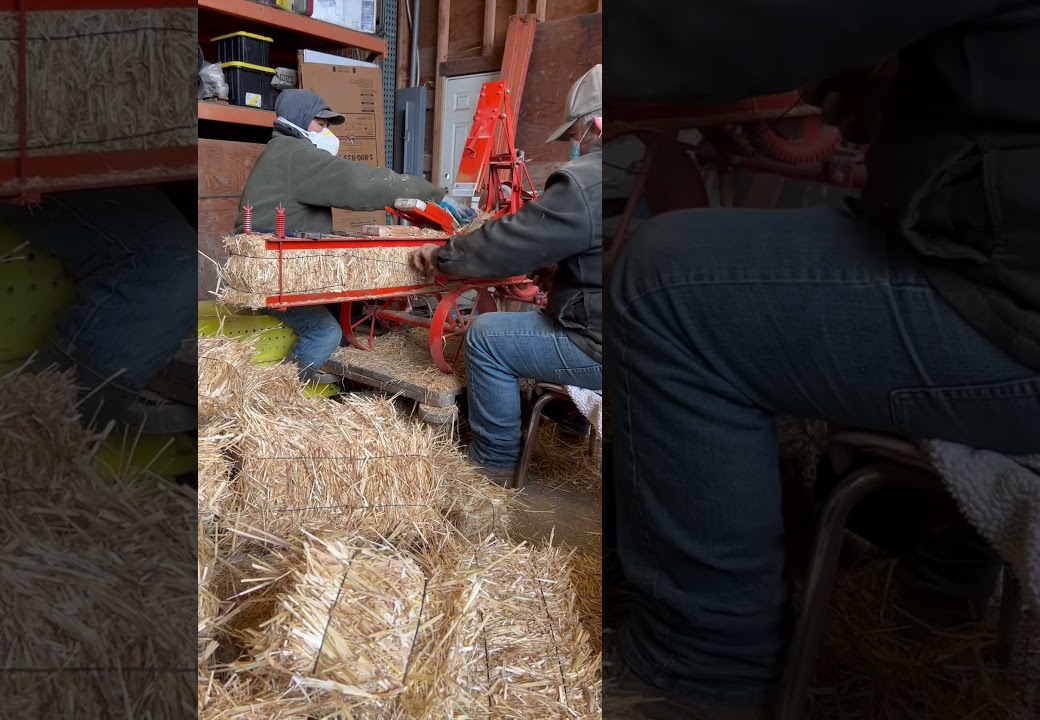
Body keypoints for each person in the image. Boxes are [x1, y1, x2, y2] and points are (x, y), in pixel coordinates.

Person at [604, 2, 1040, 718]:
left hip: (1015, 295)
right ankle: (943, 585)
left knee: (665, 287)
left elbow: (760, 25)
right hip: (1013, 245)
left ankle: (697, 673)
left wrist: (603, 43)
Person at [411, 65, 603, 485]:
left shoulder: (589, 181)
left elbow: (511, 242)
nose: (576, 146)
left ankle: (492, 465)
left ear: (598, 124)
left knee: (486, 336)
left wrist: (445, 254)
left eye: (576, 136)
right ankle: (572, 425)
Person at [234, 89, 472, 383]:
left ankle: (327, 373)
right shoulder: (297, 155)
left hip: (277, 261)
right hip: (271, 269)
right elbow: (363, 185)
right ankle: (277, 390)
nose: (327, 131)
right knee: (325, 332)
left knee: (344, 307)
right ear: (301, 121)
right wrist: (434, 195)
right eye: (321, 124)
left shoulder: (280, 151)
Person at [0, 186, 196, 435]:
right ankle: (28, 438)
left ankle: (154, 365)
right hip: (33, 170)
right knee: (170, 268)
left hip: (155, 180)